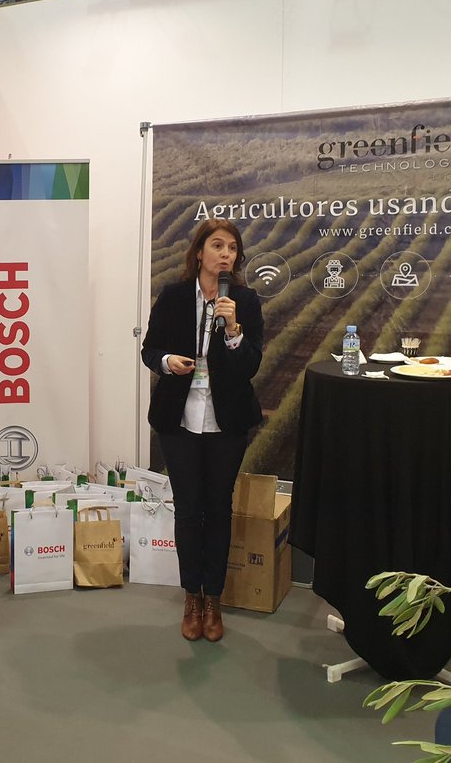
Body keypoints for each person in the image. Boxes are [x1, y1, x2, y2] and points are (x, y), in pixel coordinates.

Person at [140, 219, 264, 641]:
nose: (226, 254)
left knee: (218, 509)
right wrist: (167, 362)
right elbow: (150, 349)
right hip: (179, 420)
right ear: (199, 253)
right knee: (189, 510)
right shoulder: (174, 296)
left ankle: (214, 600)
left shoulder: (245, 301)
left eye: (232, 248)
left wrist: (233, 330)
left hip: (226, 421)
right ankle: (191, 597)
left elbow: (250, 365)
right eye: (217, 245)